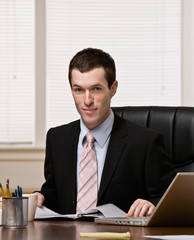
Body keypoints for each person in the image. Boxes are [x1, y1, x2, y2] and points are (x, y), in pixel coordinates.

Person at [36, 48, 176, 217]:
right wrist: (40, 197)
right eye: (79, 90)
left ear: (113, 88)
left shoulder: (145, 142)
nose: (87, 101)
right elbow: (54, 196)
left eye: (96, 89)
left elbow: (172, 200)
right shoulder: (57, 139)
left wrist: (152, 204)